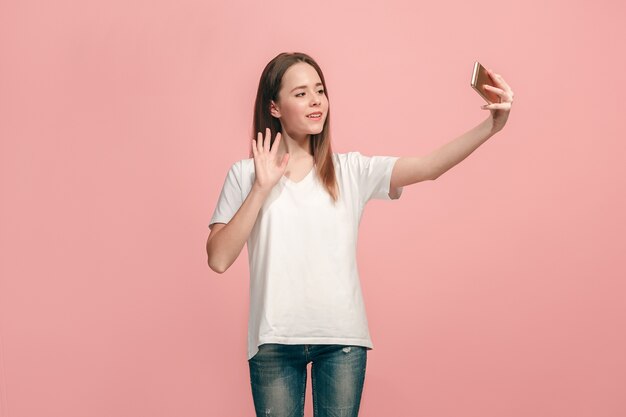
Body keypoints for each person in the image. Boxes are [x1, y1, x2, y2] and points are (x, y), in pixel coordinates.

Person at [206, 52, 513, 417]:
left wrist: (492, 126)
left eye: (319, 90)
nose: (316, 100)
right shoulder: (244, 175)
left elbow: (428, 168)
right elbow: (219, 258)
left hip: (341, 341)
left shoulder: (351, 170)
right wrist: (261, 188)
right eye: (301, 93)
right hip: (273, 340)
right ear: (274, 107)